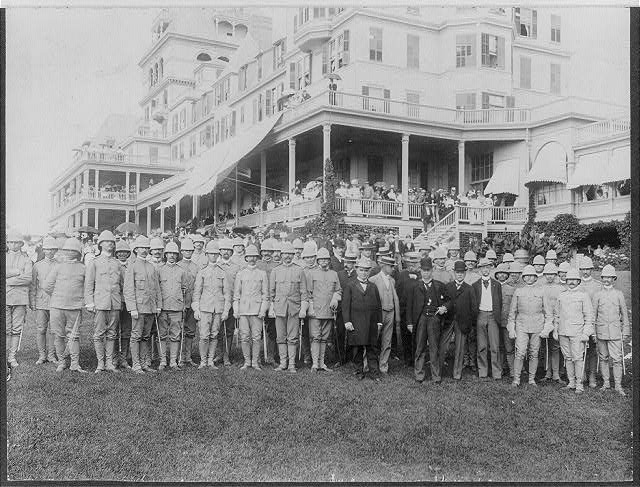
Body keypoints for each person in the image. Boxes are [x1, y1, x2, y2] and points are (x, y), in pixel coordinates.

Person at [507, 265, 554, 387]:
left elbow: (549, 313)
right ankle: (516, 379)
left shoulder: (542, 291)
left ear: (535, 278)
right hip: (521, 325)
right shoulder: (518, 291)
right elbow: (512, 313)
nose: (529, 278)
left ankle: (531, 379)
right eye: (526, 276)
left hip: (537, 325)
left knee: (534, 352)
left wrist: (546, 329)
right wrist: (511, 329)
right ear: (523, 277)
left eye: (531, 276)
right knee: (521, 352)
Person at [44, 238, 86, 373]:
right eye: (67, 250)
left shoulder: (84, 268)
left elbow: (88, 287)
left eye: (73, 250)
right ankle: (61, 362)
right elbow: (47, 286)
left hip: (75, 307)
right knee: (58, 335)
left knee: (73, 335)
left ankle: (75, 363)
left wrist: (80, 299)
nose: (69, 252)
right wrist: (58, 295)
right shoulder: (58, 266)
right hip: (57, 306)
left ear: (78, 252)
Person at [84, 230, 123, 373]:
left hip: (115, 302)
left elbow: (122, 284)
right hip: (100, 302)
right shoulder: (94, 262)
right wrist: (89, 302)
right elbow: (89, 284)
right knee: (99, 333)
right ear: (100, 244)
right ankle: (100, 363)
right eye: (107, 242)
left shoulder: (117, 263)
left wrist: (121, 301)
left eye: (112, 242)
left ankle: (109, 363)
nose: (110, 244)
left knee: (112, 333)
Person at [408, 257, 452, 383]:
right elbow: (410, 305)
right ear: (420, 271)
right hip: (421, 319)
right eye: (423, 270)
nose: (426, 273)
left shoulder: (439, 286)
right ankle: (419, 374)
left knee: (434, 347)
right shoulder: (415, 286)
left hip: (434, 319)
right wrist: (410, 323)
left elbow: (449, 301)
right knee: (420, 347)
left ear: (432, 271)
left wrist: (444, 307)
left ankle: (436, 375)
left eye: (428, 270)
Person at [124, 235, 162, 374]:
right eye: (142, 248)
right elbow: (128, 290)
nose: (144, 250)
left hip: (151, 308)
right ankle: (136, 365)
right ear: (136, 249)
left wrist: (158, 306)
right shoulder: (132, 267)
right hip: (138, 308)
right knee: (136, 336)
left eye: (146, 248)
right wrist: (132, 308)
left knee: (146, 336)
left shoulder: (151, 267)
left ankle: (145, 363)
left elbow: (157, 288)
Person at [553, 269, 594, 394]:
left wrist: (586, 333)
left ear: (578, 281)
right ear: (566, 281)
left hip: (578, 332)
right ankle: (571, 382)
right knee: (568, 357)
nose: (571, 282)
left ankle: (579, 384)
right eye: (569, 279)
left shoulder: (583, 296)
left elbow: (589, 316)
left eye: (574, 280)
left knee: (577, 357)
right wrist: (555, 330)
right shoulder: (561, 295)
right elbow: (557, 315)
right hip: (563, 331)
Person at [269, 242, 308, 373]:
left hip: (294, 308)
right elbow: (271, 293)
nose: (287, 256)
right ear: (281, 255)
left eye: (290, 254)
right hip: (279, 308)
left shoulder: (299, 270)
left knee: (293, 336)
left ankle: (291, 364)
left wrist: (303, 309)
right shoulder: (275, 271)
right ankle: (282, 363)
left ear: (293, 255)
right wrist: (271, 308)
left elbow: (304, 292)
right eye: (285, 254)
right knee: (280, 336)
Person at [192, 240, 231, 370]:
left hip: (218, 308)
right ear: (206, 255)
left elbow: (227, 293)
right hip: (204, 308)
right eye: (211, 254)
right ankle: (203, 361)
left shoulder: (223, 272)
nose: (213, 256)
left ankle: (210, 360)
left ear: (218, 255)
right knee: (204, 335)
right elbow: (197, 292)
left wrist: (226, 310)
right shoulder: (202, 272)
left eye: (215, 254)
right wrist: (196, 309)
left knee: (214, 334)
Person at [342, 257, 383, 381]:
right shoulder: (350, 286)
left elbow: (378, 306)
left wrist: (379, 321)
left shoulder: (373, 286)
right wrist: (347, 321)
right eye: (361, 270)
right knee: (357, 349)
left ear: (369, 271)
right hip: (356, 321)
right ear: (356, 270)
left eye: (366, 270)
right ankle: (358, 371)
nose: (364, 273)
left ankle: (374, 373)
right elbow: (345, 305)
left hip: (371, 322)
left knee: (372, 349)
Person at [592, 265, 630, 395]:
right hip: (601, 331)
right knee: (603, 357)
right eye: (604, 277)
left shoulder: (619, 294)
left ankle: (618, 385)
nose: (607, 279)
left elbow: (624, 315)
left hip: (615, 332)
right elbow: (593, 315)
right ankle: (606, 383)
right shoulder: (597, 295)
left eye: (609, 277)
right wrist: (593, 332)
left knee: (617, 358)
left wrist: (625, 331)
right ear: (602, 278)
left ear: (614, 279)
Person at [306, 248, 342, 372]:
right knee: (315, 337)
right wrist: (310, 308)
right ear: (318, 261)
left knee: (324, 338)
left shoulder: (334, 274)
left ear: (329, 260)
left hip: (329, 311)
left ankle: (322, 363)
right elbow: (308, 293)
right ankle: (315, 363)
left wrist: (335, 299)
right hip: (315, 311)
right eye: (321, 259)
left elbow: (338, 290)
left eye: (326, 259)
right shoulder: (312, 274)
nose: (323, 261)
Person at [233, 245, 269, 370]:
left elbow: (266, 295)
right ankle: (247, 361)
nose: (252, 259)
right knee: (244, 337)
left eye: (254, 256)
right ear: (246, 258)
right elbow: (236, 295)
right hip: (243, 310)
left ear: (257, 258)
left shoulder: (262, 274)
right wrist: (236, 310)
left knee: (256, 337)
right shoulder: (240, 274)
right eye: (249, 256)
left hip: (257, 310)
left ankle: (255, 362)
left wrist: (263, 309)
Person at [157, 242, 190, 370]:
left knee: (176, 335)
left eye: (174, 254)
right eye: (169, 253)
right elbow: (156, 289)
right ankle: (163, 361)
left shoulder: (182, 271)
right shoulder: (159, 270)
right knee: (162, 335)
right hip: (163, 307)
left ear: (177, 255)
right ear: (165, 254)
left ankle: (173, 361)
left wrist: (185, 306)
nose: (172, 256)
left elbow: (185, 289)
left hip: (177, 308)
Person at [444, 261, 478, 380]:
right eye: (457, 272)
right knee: (443, 345)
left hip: (462, 322)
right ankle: (439, 370)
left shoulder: (469, 289)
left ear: (465, 273)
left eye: (462, 273)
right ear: (454, 273)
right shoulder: (448, 286)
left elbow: (474, 308)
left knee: (459, 348)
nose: (459, 275)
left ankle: (457, 373)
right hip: (448, 321)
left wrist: (470, 323)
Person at [472, 258, 503, 380]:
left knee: (494, 346)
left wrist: (496, 316)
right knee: (482, 345)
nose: (485, 270)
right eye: (482, 268)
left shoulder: (497, 284)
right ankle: (483, 371)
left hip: (492, 316)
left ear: (490, 268)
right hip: (480, 315)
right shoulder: (475, 285)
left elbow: (499, 302)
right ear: (479, 269)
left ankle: (496, 372)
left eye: (487, 267)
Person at [30, 236, 59, 365]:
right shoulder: (37, 266)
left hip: (55, 302)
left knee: (54, 330)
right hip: (41, 302)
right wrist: (32, 301)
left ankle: (52, 355)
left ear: (56, 250)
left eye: (53, 249)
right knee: (41, 329)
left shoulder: (60, 265)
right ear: (44, 250)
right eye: (48, 249)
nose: (50, 252)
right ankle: (42, 355)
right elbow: (33, 286)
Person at [369, 255, 400, 375]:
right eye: (391, 266)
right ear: (383, 266)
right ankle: (368, 364)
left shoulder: (392, 280)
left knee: (387, 340)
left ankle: (383, 365)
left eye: (393, 266)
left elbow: (394, 297)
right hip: (378, 313)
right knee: (373, 338)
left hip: (390, 312)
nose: (393, 269)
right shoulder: (373, 279)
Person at [6, 232, 33, 369]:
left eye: (16, 242)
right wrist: (17, 272)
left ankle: (12, 357)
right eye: (10, 242)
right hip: (5, 297)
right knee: (5, 328)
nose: (12, 245)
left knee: (16, 329)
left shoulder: (26, 259)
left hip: (20, 298)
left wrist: (8, 280)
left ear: (21, 244)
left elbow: (28, 278)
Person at [214, 238, 242, 366]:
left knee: (229, 329)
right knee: (218, 329)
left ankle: (227, 355)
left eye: (228, 250)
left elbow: (238, 286)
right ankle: (219, 353)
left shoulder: (236, 267)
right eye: (223, 249)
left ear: (231, 252)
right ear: (220, 251)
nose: (225, 252)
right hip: (217, 302)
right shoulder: (215, 265)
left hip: (230, 302)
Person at [577, 256, 602, 389]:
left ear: (591, 269)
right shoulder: (576, 284)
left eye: (588, 269)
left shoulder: (598, 285)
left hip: (592, 322)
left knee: (592, 349)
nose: (585, 272)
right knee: (579, 348)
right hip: (579, 322)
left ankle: (592, 375)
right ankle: (581, 374)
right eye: (583, 269)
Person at [540, 263, 565, 383]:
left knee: (555, 347)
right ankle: (547, 372)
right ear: (544, 275)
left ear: (555, 275)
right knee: (545, 347)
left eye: (552, 274)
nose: (550, 276)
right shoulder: (541, 287)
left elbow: (562, 306)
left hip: (556, 320)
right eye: (547, 274)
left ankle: (556, 374)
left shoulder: (560, 288)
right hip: (543, 320)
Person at [177, 237, 199, 367]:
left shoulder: (196, 267)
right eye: (185, 250)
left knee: (190, 330)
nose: (188, 253)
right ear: (181, 251)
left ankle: (188, 356)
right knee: (179, 329)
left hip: (193, 302)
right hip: (181, 302)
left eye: (190, 250)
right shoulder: (178, 266)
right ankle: (179, 356)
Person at [257, 239, 278, 366]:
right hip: (258, 300)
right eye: (264, 251)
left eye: (269, 251)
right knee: (257, 330)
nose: (266, 253)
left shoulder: (277, 266)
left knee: (272, 329)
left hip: (272, 300)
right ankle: (257, 356)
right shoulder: (257, 264)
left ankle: (271, 356)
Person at [494, 263, 515, 378]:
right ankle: (500, 369)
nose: (501, 275)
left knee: (509, 347)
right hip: (495, 322)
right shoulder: (493, 287)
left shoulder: (511, 289)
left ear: (507, 275)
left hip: (507, 322)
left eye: (504, 273)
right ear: (496, 275)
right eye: (499, 273)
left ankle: (512, 370)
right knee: (498, 346)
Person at [114, 240, 132, 369]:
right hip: (115, 302)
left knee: (126, 330)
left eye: (125, 252)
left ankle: (124, 357)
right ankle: (114, 357)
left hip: (129, 302)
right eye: (119, 252)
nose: (122, 254)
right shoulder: (114, 265)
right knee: (114, 330)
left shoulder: (132, 266)